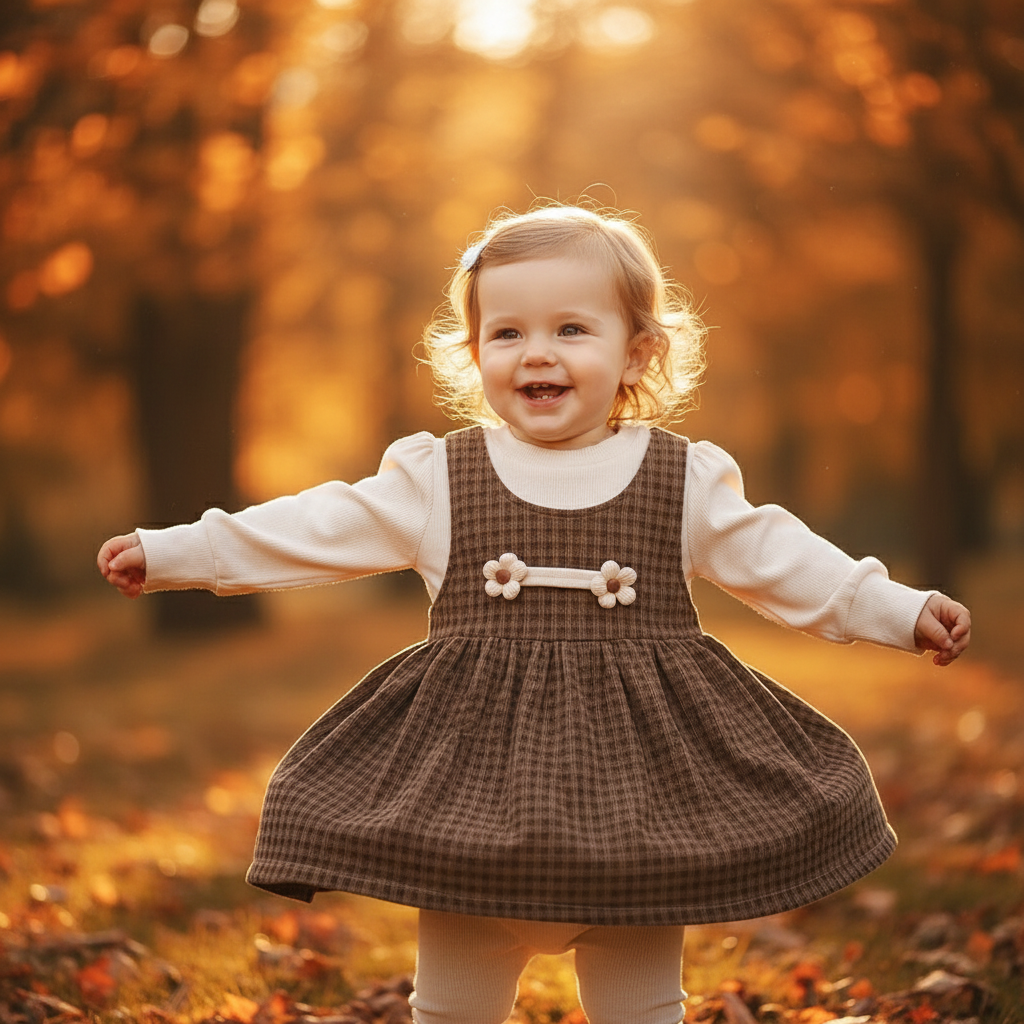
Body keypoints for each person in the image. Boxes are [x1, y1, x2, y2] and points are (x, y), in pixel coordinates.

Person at [98, 205, 971, 1024]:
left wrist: (899, 609)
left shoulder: (681, 478)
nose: (536, 353)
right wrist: (175, 551)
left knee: (638, 995)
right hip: (472, 795)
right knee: (454, 995)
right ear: (473, 351)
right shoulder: (441, 476)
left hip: (639, 802)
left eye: (571, 329)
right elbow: (314, 526)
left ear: (637, 353)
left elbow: (784, 560)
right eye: (507, 332)